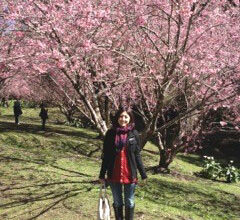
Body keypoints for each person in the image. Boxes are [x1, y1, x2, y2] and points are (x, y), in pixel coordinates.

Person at [99, 107, 147, 220]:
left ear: (130, 118)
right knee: (117, 201)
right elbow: (105, 156)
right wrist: (102, 175)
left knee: (129, 202)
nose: (123, 119)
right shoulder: (110, 134)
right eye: (121, 116)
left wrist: (143, 174)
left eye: (126, 116)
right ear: (117, 118)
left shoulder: (134, 134)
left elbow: (137, 155)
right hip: (114, 174)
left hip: (130, 174)